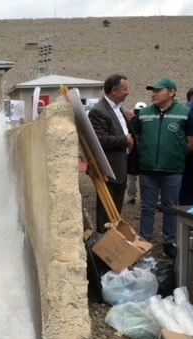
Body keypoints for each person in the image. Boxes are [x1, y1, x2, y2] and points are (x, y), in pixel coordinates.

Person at [133, 77, 193, 259]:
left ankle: (169, 243)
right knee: (147, 207)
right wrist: (149, 154)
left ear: (171, 92)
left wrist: (174, 154)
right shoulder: (144, 114)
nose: (153, 94)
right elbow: (138, 139)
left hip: (172, 170)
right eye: (152, 91)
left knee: (171, 207)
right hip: (148, 170)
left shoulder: (184, 113)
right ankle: (144, 242)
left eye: (158, 91)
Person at [88, 74, 133, 233]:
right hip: (108, 171)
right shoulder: (99, 111)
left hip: (120, 170)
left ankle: (115, 246)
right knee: (106, 216)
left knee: (116, 215)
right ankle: (104, 249)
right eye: (125, 89)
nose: (128, 93)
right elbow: (99, 140)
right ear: (114, 91)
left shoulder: (118, 109)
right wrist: (125, 140)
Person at [126, 102, 146, 205]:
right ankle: (144, 199)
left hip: (133, 155)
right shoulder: (147, 122)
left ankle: (132, 197)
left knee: (132, 178)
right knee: (144, 179)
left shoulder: (130, 122)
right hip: (143, 154)